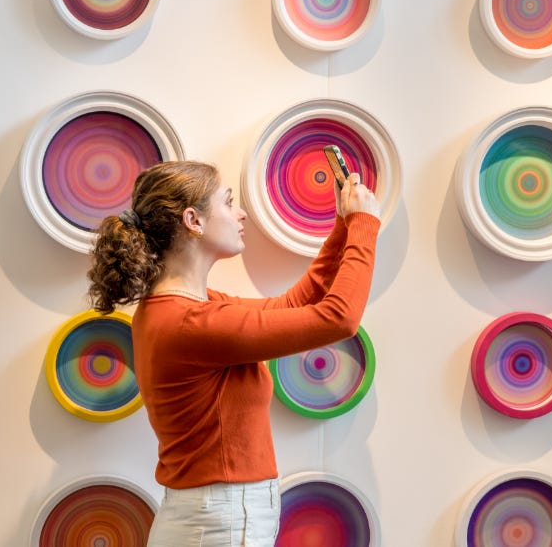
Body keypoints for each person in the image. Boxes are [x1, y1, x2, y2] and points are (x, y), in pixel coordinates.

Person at [86, 160, 381, 546]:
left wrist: (342, 229)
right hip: (219, 522)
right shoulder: (191, 323)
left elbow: (290, 307)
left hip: (214, 518)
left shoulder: (187, 310)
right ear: (193, 220)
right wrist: (364, 226)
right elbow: (338, 320)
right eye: (228, 202)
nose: (240, 213)